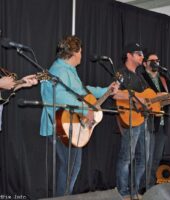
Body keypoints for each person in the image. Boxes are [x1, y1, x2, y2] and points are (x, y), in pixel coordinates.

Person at [40, 35, 119, 196]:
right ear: (74, 53)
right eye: (81, 52)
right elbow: (61, 96)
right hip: (60, 125)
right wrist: (85, 110)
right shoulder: (58, 70)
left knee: (72, 166)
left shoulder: (69, 70)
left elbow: (83, 91)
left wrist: (106, 90)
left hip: (72, 124)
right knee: (70, 166)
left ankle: (65, 197)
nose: (82, 56)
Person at [141, 52, 170, 189]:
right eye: (152, 60)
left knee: (155, 159)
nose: (156, 63)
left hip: (162, 124)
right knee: (145, 160)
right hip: (146, 122)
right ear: (145, 63)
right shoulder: (141, 77)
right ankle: (141, 188)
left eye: (157, 60)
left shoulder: (164, 79)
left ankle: (150, 189)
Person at [113, 43, 150, 200]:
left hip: (143, 120)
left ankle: (134, 191)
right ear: (129, 55)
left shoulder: (141, 77)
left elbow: (149, 98)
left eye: (143, 54)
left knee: (144, 158)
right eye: (139, 53)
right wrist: (136, 97)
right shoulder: (120, 73)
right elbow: (114, 94)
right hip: (129, 118)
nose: (142, 56)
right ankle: (123, 193)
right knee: (127, 157)